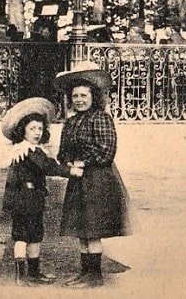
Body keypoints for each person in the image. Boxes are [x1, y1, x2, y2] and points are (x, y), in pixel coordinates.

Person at [53, 62, 130, 287]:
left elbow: (107, 150)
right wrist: (67, 162)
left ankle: (94, 276)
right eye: (75, 95)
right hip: (77, 181)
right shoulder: (71, 121)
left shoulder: (100, 118)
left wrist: (82, 161)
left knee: (92, 230)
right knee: (81, 230)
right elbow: (62, 153)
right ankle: (85, 273)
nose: (78, 99)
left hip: (98, 181)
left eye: (83, 95)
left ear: (92, 96)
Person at [1, 97, 83, 285]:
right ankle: (23, 275)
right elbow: (48, 167)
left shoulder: (28, 149)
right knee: (23, 235)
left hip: (31, 199)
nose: (37, 133)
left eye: (40, 128)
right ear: (23, 131)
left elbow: (48, 163)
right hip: (25, 200)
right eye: (32, 129)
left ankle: (33, 273)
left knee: (35, 234)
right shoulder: (27, 151)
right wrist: (71, 171)